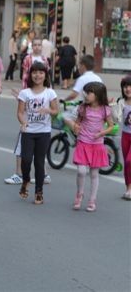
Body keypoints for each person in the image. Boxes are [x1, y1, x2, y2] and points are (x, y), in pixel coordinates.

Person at [63, 82, 114, 212]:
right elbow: (77, 123)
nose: (85, 95)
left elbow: (111, 126)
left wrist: (102, 133)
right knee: (81, 171)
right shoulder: (83, 108)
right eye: (85, 92)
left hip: (97, 144)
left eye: (89, 92)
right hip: (83, 142)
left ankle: (92, 200)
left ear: (97, 95)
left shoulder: (105, 110)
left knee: (94, 173)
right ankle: (79, 195)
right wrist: (75, 127)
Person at [16, 62, 59, 205]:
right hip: (28, 132)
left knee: (39, 162)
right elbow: (20, 112)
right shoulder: (25, 93)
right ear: (30, 75)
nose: (37, 75)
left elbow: (56, 111)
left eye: (41, 72)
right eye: (34, 72)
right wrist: (23, 123)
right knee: (26, 160)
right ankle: (26, 179)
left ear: (45, 75)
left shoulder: (50, 92)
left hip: (44, 132)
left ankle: (39, 191)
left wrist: (48, 111)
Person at [118, 76, 131, 200]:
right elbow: (117, 119)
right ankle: (128, 188)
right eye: (125, 87)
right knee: (127, 164)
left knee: (129, 161)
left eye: (130, 86)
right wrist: (112, 106)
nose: (128, 89)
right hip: (125, 136)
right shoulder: (121, 102)